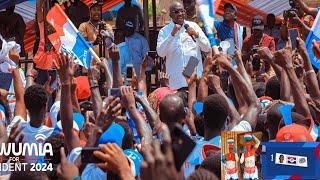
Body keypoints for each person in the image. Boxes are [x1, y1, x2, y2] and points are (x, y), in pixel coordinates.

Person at [157, 2, 210, 89]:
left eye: (182, 11)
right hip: (176, 83)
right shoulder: (164, 31)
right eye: (176, 12)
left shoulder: (193, 26)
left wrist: (196, 35)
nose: (180, 14)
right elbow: (161, 53)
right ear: (170, 14)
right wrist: (172, 35)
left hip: (195, 80)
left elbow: (207, 47)